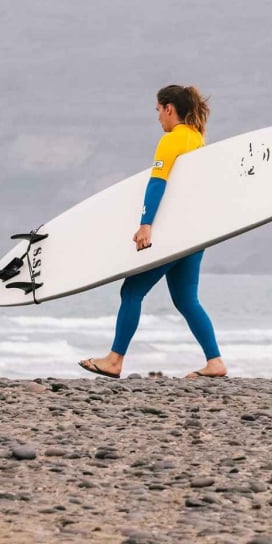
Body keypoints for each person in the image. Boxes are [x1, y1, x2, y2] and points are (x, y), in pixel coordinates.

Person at [79, 85, 228, 379]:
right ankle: (215, 362)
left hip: (175, 234)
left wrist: (146, 224)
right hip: (196, 233)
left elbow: (158, 183)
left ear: (169, 108)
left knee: (132, 290)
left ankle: (114, 360)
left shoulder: (171, 140)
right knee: (186, 300)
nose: (158, 117)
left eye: (158, 110)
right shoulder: (197, 139)